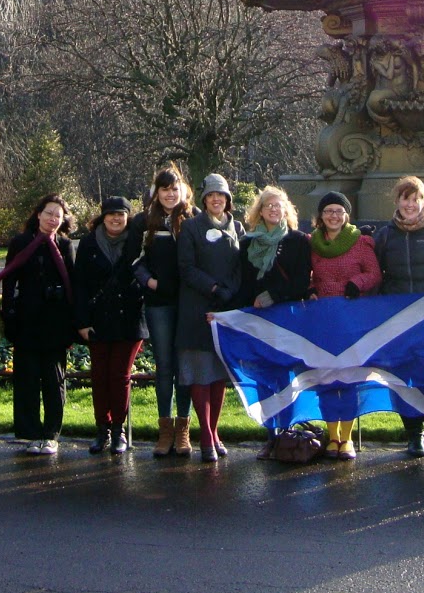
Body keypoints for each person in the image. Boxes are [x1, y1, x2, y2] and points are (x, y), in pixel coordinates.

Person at [373, 175, 424, 457]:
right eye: (405, 199)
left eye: (415, 198)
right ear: (397, 201)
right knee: (402, 376)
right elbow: (378, 273)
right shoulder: (385, 235)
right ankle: (414, 434)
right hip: (399, 316)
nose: (410, 204)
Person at [0, 194, 77, 455]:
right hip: (27, 319)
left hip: (56, 321)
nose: (53, 219)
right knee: (28, 378)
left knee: (54, 380)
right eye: (48, 213)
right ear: (38, 214)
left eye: (58, 215)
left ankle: (51, 433)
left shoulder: (65, 245)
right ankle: (31, 432)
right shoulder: (21, 242)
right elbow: (9, 279)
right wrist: (8, 312)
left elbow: (72, 283)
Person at [238, 186, 312, 457]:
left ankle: (289, 431)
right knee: (263, 377)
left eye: (278, 206)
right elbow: (243, 283)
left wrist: (274, 296)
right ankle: (271, 434)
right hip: (258, 318)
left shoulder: (298, 241)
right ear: (259, 211)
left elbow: (302, 281)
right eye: (268, 205)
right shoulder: (248, 243)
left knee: (287, 375)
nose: (273, 209)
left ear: (286, 210)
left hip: (285, 316)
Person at [176, 173, 246, 461]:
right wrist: (213, 287)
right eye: (212, 195)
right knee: (200, 374)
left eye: (222, 195)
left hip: (225, 311)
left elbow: (243, 265)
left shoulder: (238, 227)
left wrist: (230, 290)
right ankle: (205, 435)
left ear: (228, 200)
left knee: (218, 376)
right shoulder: (191, 227)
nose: (217, 199)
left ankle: (214, 432)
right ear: (204, 199)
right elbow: (186, 267)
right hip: (196, 308)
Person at [308, 191, 382, 459]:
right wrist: (310, 290)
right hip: (323, 318)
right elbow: (307, 275)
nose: (334, 216)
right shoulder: (313, 243)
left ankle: (347, 437)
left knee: (349, 376)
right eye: (328, 211)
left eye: (339, 211)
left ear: (347, 215)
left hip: (351, 315)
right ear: (321, 216)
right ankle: (332, 435)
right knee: (326, 375)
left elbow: (373, 273)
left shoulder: (361, 242)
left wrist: (356, 284)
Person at [74, 195, 147, 455]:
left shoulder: (137, 243)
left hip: (129, 319)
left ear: (128, 217)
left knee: (119, 376)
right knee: (99, 377)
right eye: (111, 214)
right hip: (98, 320)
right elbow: (79, 284)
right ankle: (101, 429)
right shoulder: (88, 243)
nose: (116, 218)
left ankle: (119, 430)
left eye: (121, 214)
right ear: (102, 217)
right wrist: (82, 321)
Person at [131, 166, 195, 457]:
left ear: (183, 191)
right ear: (156, 192)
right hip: (159, 303)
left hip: (187, 302)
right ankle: (165, 430)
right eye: (165, 188)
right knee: (165, 366)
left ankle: (183, 429)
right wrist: (149, 281)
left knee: (184, 367)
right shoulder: (144, 221)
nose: (170, 193)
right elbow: (133, 260)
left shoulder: (193, 220)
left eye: (175, 188)